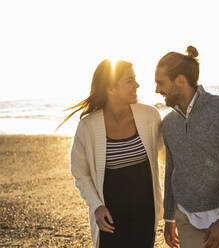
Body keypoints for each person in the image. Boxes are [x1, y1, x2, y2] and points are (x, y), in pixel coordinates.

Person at [155, 46, 219, 248]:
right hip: (186, 218)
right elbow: (172, 171)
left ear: (180, 80)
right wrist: (169, 217)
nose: (157, 90)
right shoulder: (169, 123)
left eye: (160, 82)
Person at [58, 59, 163, 247]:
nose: (137, 85)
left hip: (146, 215)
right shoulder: (87, 127)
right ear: (111, 88)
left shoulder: (150, 116)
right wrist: (96, 206)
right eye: (129, 80)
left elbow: (169, 157)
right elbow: (80, 173)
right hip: (109, 220)